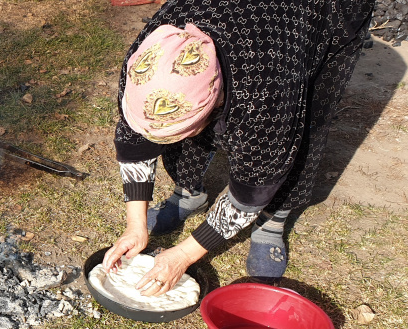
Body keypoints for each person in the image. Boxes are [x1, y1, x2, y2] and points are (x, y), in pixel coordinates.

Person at [101, 0, 375, 296]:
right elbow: (135, 138)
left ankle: (274, 219)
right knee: (172, 122)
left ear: (218, 101)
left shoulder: (264, 95)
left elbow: (255, 183)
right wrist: (135, 225)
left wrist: (183, 256)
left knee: (305, 121)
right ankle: (188, 192)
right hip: (234, 16)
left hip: (324, 13)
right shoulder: (150, 54)